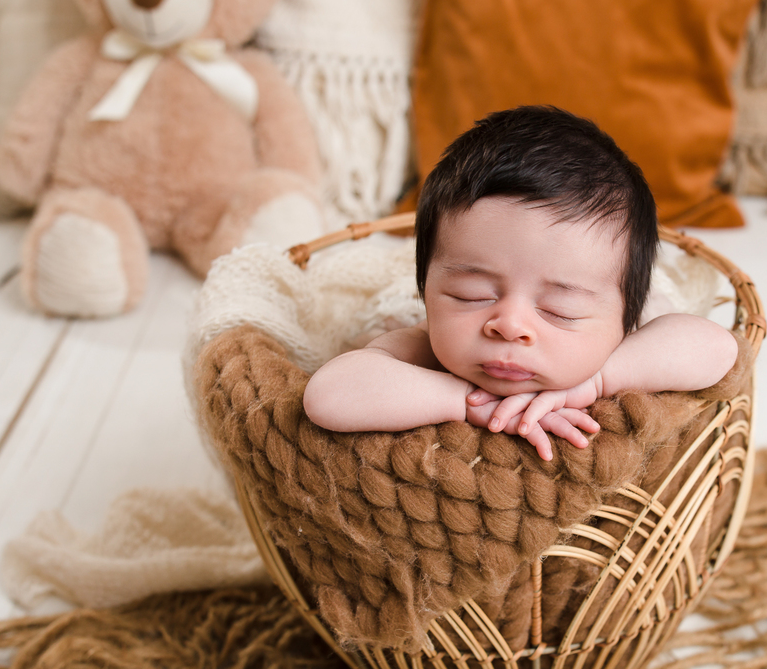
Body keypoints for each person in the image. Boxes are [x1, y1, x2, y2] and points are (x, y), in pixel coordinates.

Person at [304, 105, 738, 460]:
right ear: (427, 291)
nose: (509, 325)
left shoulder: (628, 342)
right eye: (471, 295)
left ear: (622, 320)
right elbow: (327, 395)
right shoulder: (422, 349)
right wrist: (469, 404)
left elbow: (718, 349)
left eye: (559, 310)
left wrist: (594, 384)